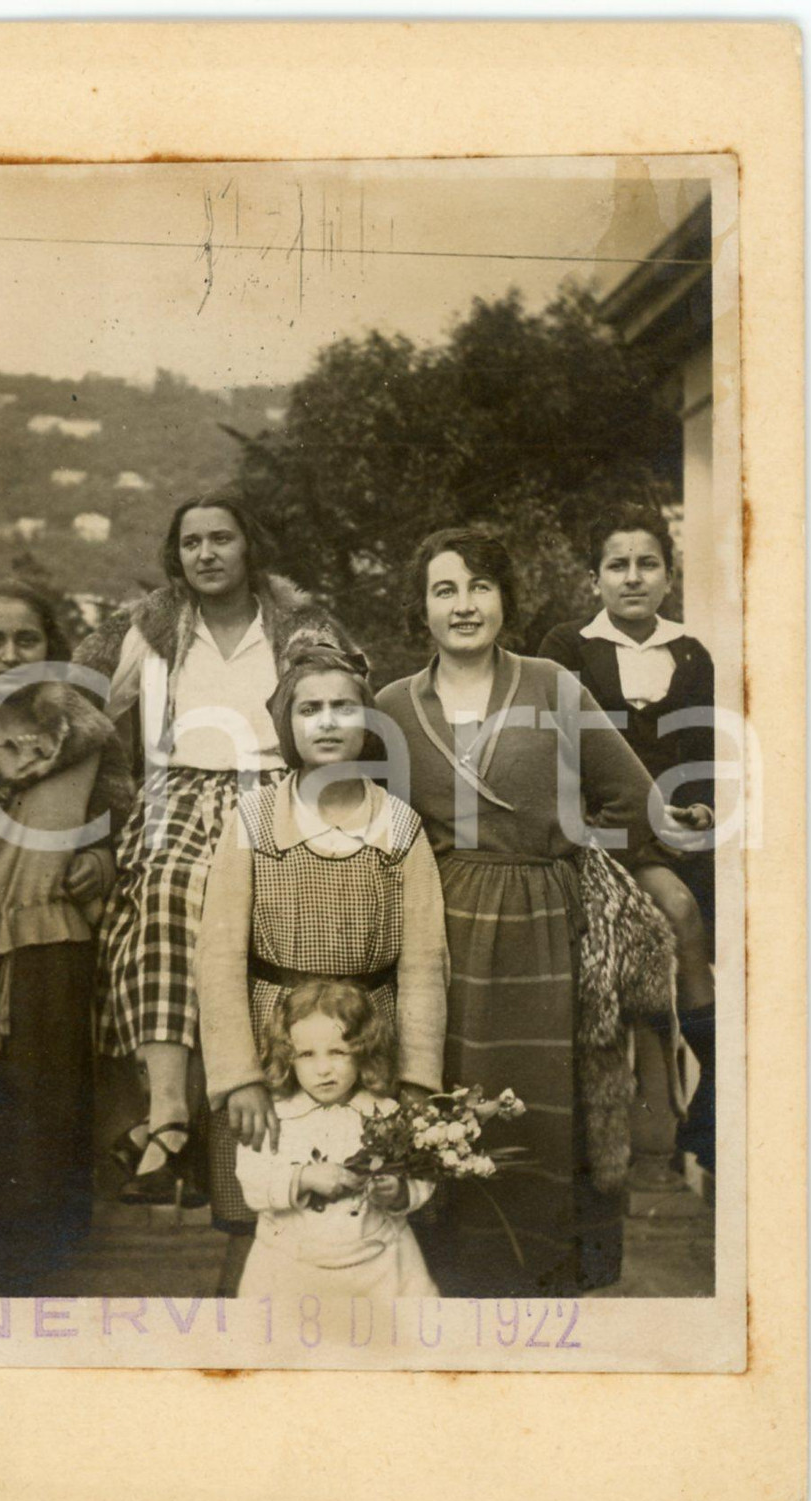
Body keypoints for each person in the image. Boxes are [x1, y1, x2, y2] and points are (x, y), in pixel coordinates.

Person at [376, 526, 692, 1298]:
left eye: (480, 587)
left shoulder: (552, 684)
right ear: (421, 609)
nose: (464, 605)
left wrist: (578, 860)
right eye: (444, 590)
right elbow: (371, 822)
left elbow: (630, 797)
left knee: (551, 1106)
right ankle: (455, 1279)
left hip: (548, 923)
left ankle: (550, 1282)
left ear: (505, 600)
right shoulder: (390, 706)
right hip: (441, 926)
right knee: (450, 1098)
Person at [74, 492, 351, 1204]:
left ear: (248, 545)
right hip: (177, 792)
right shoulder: (150, 630)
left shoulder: (295, 626)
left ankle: (232, 1124)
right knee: (166, 898)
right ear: (177, 556)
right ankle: (167, 1115)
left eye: (222, 538)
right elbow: (77, 706)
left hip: (272, 789)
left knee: (247, 913)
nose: (207, 554)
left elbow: (345, 696)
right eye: (192, 542)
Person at [197, 645, 449, 1294]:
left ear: (368, 721)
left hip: (368, 1043)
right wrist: (239, 1079)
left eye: (344, 706)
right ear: (289, 726)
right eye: (310, 709)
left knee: (368, 1202)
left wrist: (417, 1081)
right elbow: (219, 955)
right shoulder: (254, 819)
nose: (328, 721)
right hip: (271, 1041)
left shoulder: (398, 826)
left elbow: (424, 963)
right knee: (256, 1212)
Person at [0, 578, 134, 1295]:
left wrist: (99, 860)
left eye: (27, 638)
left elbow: (120, 821)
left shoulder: (86, 732)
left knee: (43, 1108)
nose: (9, 653)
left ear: (51, 646)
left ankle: (39, 1273)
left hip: (52, 946)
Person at [538, 507, 716, 1172]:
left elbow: (700, 750)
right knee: (654, 924)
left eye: (648, 564)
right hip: (593, 829)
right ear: (595, 579)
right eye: (618, 565)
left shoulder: (692, 653)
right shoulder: (567, 647)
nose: (633, 578)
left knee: (692, 919)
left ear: (668, 577)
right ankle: (646, 1120)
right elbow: (553, 744)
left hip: (671, 835)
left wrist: (699, 805)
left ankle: (708, 1097)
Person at [235, 978, 438, 1298]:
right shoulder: (276, 1116)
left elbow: (422, 1175)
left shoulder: (385, 1113)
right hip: (292, 1267)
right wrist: (302, 1178)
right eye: (306, 1055)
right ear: (288, 1056)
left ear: (363, 1051)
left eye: (338, 1052)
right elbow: (253, 1183)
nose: (323, 1069)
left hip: (378, 1265)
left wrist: (399, 1192)